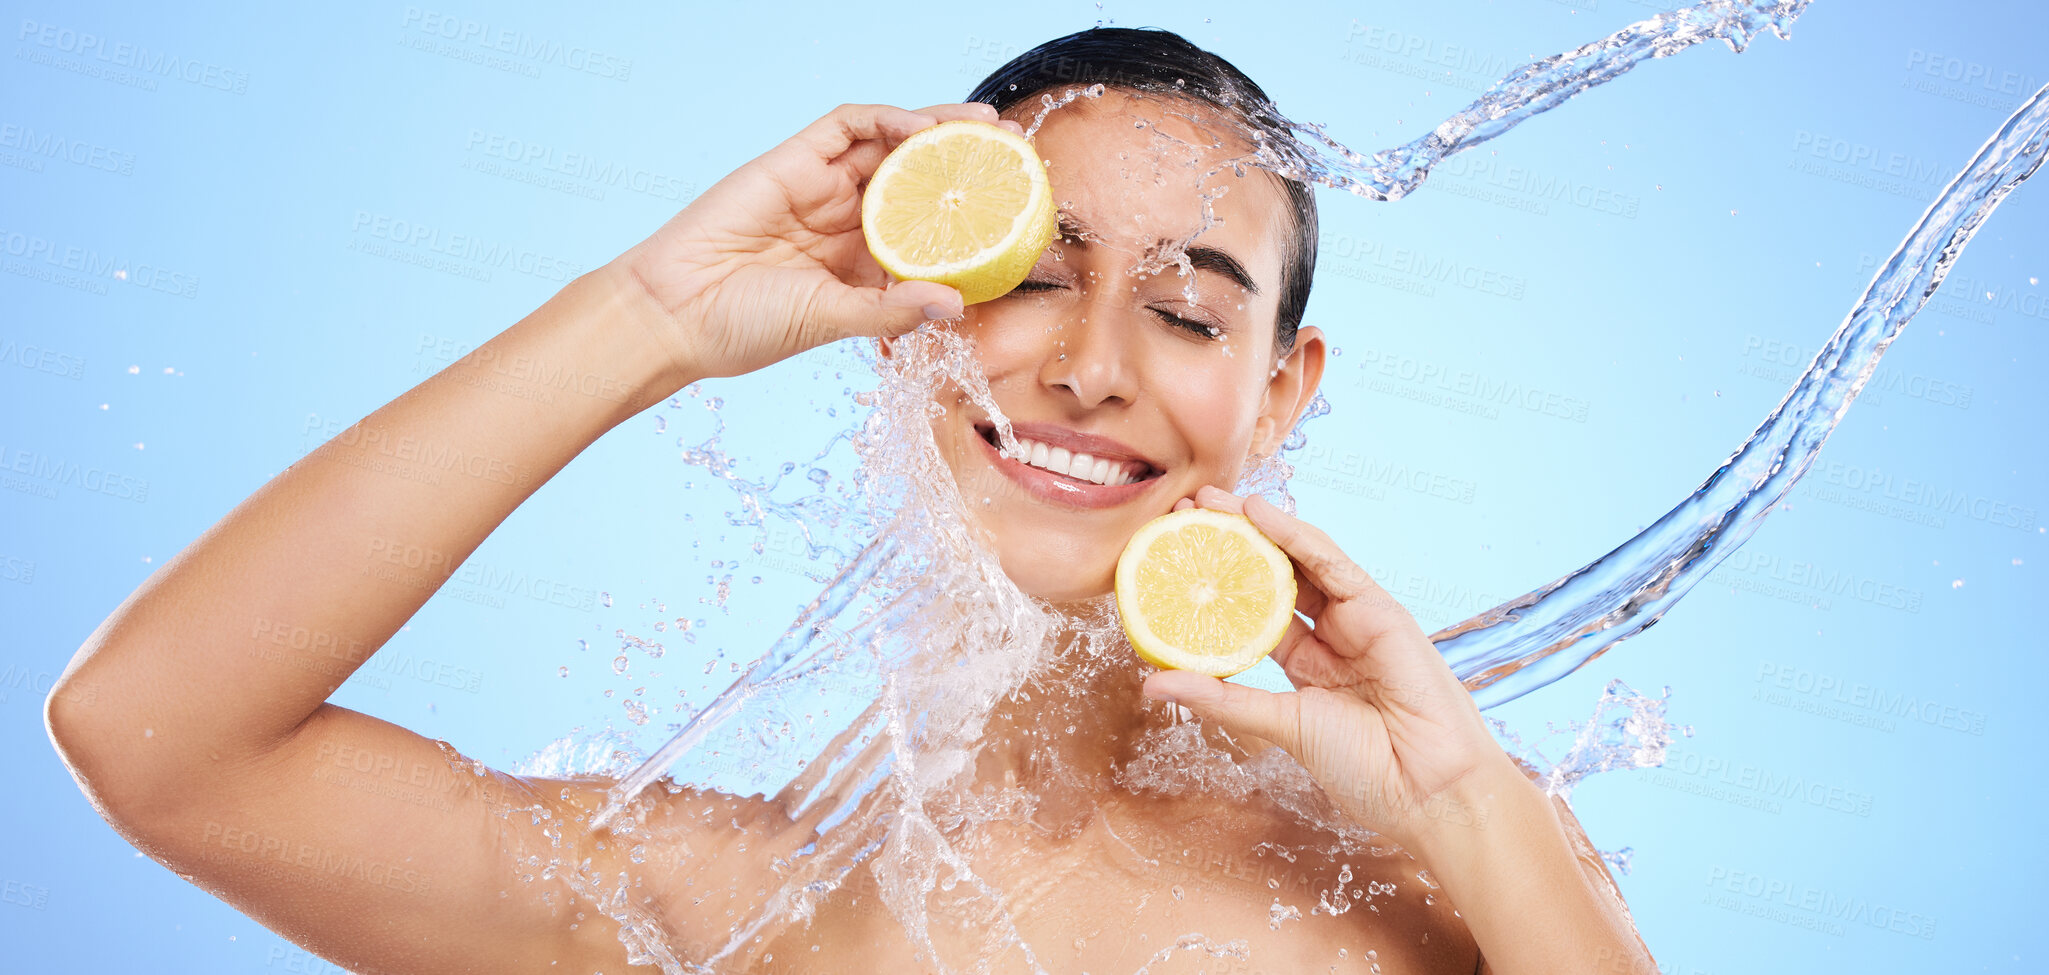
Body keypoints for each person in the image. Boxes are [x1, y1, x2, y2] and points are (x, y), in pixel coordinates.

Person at [46, 27, 1655, 975]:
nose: (1091, 369)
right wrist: (652, 319)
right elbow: (159, 739)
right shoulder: (730, 909)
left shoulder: (1437, 881)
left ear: (1281, 391)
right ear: (908, 301)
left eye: (1184, 310)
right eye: (1027, 276)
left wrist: (1460, 803)